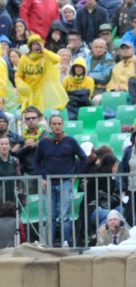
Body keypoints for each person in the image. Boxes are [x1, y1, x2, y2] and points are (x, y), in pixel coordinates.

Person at [34, 114, 87, 245]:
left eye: (59, 124)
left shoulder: (71, 141)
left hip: (66, 182)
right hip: (49, 182)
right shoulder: (44, 142)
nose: (57, 126)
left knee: (64, 215)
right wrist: (42, 178)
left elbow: (84, 158)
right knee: (50, 216)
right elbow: (36, 162)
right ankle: (49, 244)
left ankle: (66, 242)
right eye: (54, 124)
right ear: (50, 126)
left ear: (62, 125)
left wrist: (76, 175)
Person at [15, 34, 68, 111]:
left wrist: (44, 50)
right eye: (34, 44)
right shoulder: (24, 58)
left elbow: (57, 60)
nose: (36, 46)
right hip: (28, 92)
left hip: (42, 93)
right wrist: (21, 85)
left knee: (40, 115)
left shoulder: (46, 56)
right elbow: (19, 75)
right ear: (30, 46)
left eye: (38, 44)